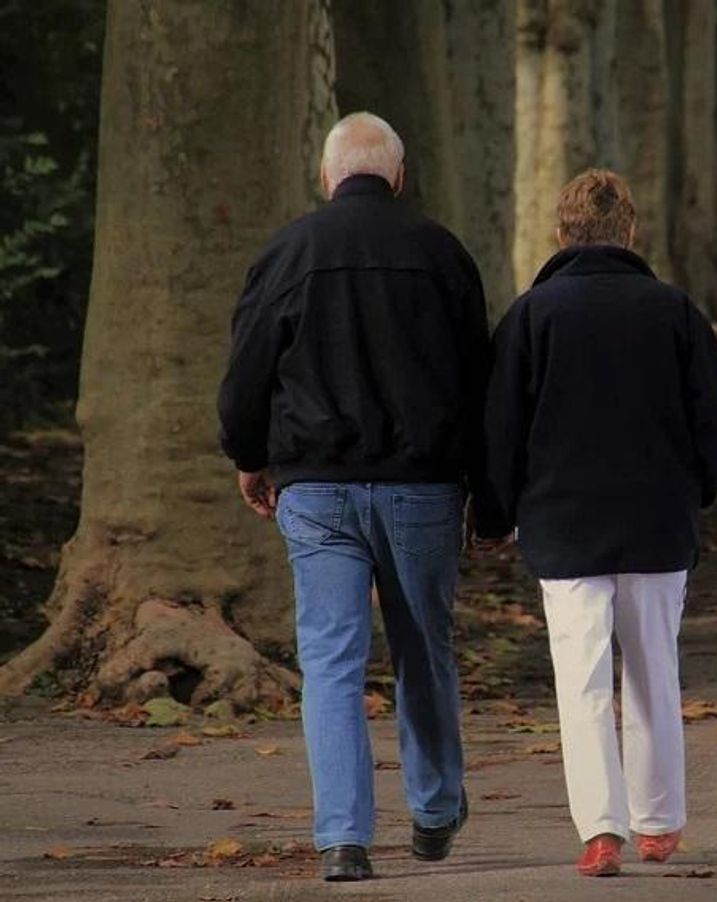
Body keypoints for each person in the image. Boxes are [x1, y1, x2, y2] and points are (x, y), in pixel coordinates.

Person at [218, 112, 495, 882]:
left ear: (327, 174)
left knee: (332, 661)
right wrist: (485, 485)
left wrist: (251, 457)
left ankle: (344, 838)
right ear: (400, 176)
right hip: (423, 489)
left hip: (316, 487)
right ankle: (436, 809)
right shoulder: (443, 254)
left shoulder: (288, 252)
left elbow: (246, 374)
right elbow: (481, 382)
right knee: (423, 651)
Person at [482, 169, 717, 877]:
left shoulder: (532, 316)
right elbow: (714, 415)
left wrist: (497, 512)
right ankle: (659, 820)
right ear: (632, 231)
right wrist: (700, 490)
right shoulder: (675, 312)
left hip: (563, 525)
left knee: (582, 679)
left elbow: (502, 428)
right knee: (655, 669)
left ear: (561, 234)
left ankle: (601, 827)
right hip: (657, 521)